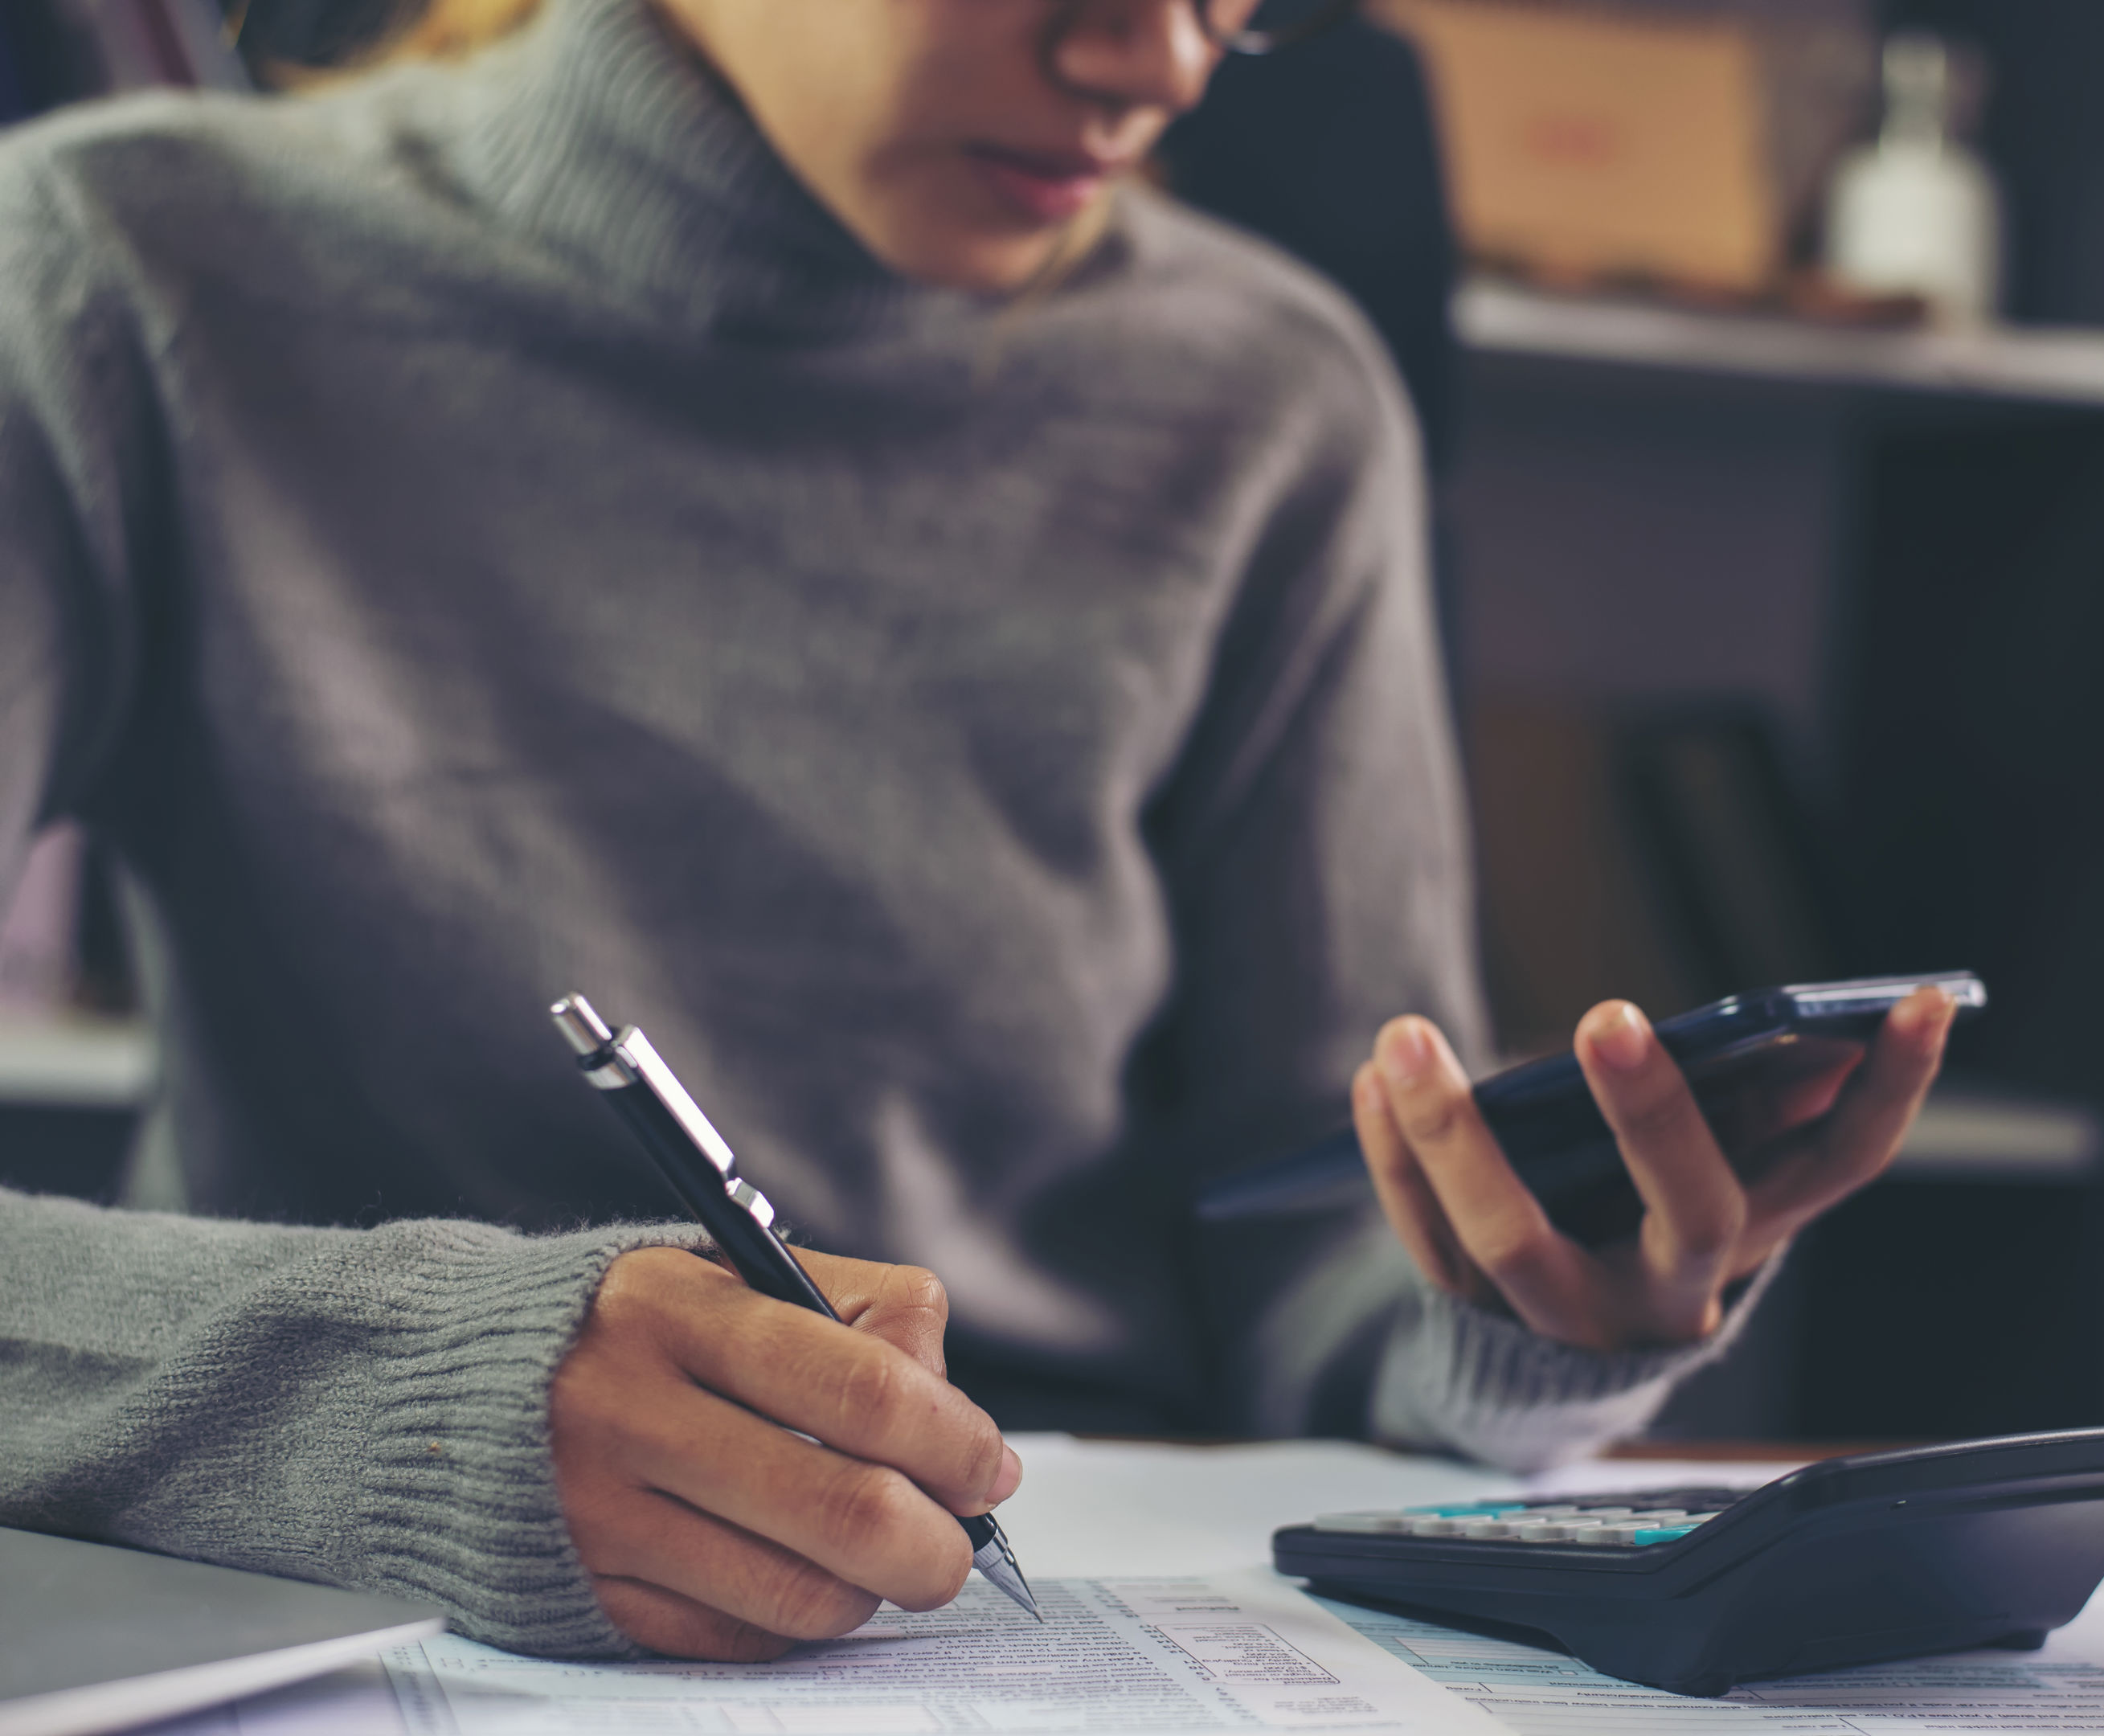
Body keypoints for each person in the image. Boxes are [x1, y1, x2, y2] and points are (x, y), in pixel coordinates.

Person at [0, 0, 1955, 1668]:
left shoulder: (1270, 405)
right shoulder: (120, 278)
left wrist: (1523, 1302)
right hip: (375, 1632)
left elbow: (1312, 1238)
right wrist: (399, 1404)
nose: (1161, 63)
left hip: (1086, 1603)